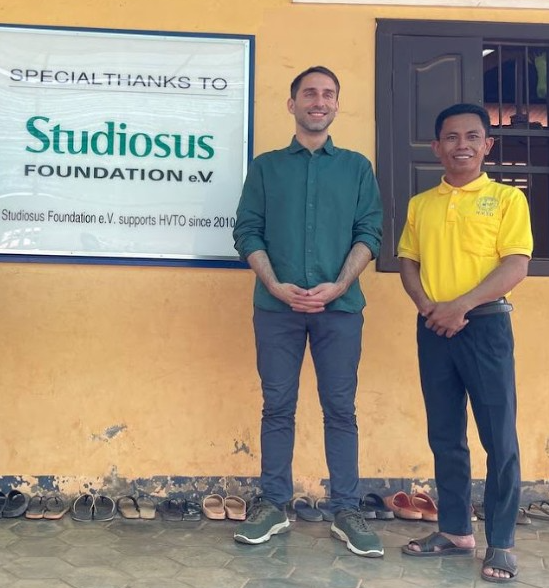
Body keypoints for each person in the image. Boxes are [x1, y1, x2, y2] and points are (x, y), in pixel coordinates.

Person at [232, 66, 383, 557]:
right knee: (277, 406)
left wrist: (339, 285)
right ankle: (274, 505)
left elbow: (370, 232)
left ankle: (346, 510)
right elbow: (247, 231)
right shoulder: (266, 168)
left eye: (328, 94)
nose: (319, 101)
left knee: (340, 409)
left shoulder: (357, 168)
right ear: (292, 103)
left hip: (341, 310)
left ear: (337, 104)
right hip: (276, 310)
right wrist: (275, 285)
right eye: (310, 93)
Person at [398, 103, 532, 583]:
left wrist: (462, 306)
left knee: (499, 438)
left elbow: (516, 264)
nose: (462, 145)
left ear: (486, 145)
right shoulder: (421, 205)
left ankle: (501, 543)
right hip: (434, 328)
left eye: (472, 137)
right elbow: (408, 261)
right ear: (437, 147)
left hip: (487, 328)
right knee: (445, 435)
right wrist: (429, 307)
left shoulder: (506, 199)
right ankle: (455, 531)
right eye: (451, 137)